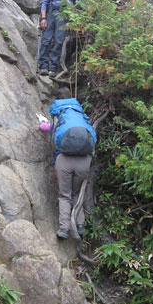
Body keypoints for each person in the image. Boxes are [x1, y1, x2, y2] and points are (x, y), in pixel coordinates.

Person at [37, 98, 96, 240]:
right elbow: (93, 139)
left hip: (64, 160)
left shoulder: (61, 120)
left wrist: (42, 122)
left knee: (65, 195)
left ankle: (64, 228)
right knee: (76, 193)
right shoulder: (83, 119)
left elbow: (47, 129)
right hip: (84, 161)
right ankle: (80, 225)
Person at [38, 0, 78, 78]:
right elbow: (44, 3)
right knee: (46, 40)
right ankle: (43, 66)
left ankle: (53, 68)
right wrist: (44, 18)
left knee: (59, 42)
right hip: (51, 13)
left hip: (64, 16)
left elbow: (79, 4)